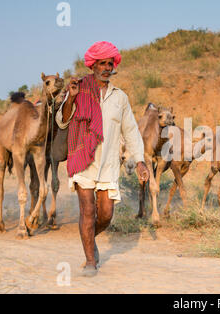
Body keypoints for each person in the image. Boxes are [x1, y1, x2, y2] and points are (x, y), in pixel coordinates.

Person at [57, 41, 150, 277]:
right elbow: (62, 121)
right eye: (102, 63)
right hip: (83, 160)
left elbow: (130, 131)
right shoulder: (77, 90)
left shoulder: (120, 98)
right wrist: (70, 99)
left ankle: (89, 239)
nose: (107, 67)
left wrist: (140, 161)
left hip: (108, 164)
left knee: (106, 214)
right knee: (87, 211)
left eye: (110, 63)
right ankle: (90, 261)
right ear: (93, 65)